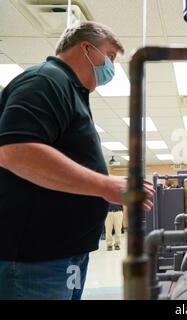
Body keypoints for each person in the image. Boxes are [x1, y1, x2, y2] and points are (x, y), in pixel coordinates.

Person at [0, 21, 154, 300]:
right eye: (109, 56)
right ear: (86, 48)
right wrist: (105, 185)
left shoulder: (71, 92)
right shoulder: (46, 80)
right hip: (33, 262)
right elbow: (14, 150)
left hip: (63, 255)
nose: (111, 66)